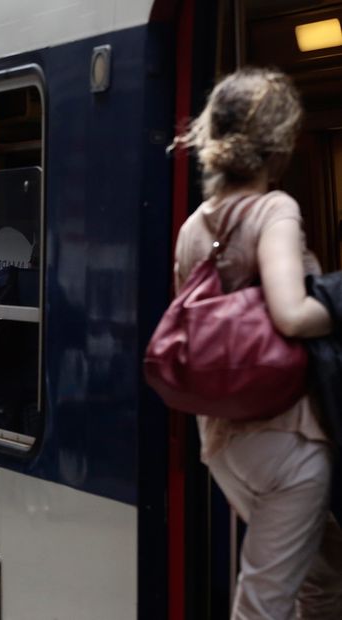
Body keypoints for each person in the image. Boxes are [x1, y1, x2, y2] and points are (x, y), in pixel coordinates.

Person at [172, 67, 342, 618]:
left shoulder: (196, 226)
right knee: (264, 602)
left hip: (223, 442)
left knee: (321, 575)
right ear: (281, 140)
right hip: (288, 441)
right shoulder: (275, 210)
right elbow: (291, 315)